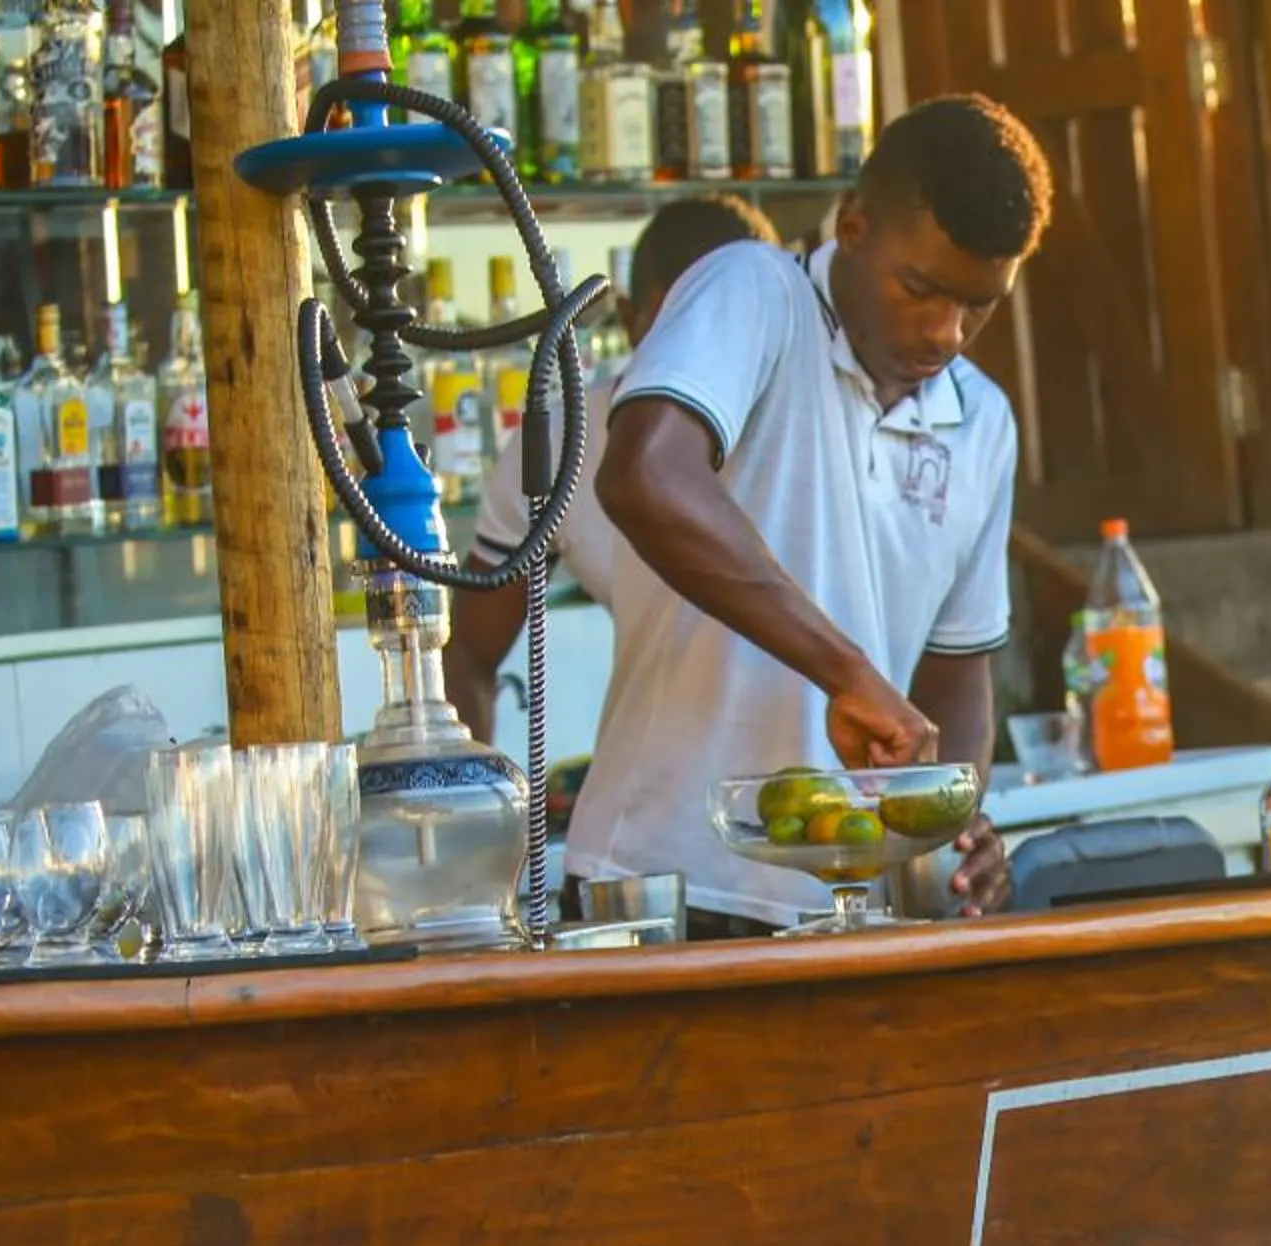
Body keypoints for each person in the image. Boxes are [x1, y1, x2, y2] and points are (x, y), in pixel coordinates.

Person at [591, 94, 1052, 934]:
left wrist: (950, 826)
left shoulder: (983, 420)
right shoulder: (755, 291)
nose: (947, 333)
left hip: (853, 914)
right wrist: (848, 674)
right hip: (666, 889)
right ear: (853, 225)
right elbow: (644, 476)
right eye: (921, 289)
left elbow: (957, 672)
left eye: (979, 305)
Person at [445, 193, 780, 752]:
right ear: (629, 320)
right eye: (687, 327)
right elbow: (469, 656)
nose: (713, 356)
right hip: (640, 795)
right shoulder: (562, 442)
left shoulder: (821, 426)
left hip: (819, 791)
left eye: (740, 329)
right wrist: (472, 790)